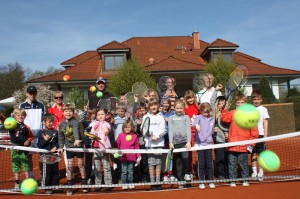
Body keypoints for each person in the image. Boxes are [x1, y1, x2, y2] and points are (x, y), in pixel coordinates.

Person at [221, 93, 259, 187]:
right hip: (232, 145)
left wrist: (251, 145)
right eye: (238, 102)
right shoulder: (233, 113)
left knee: (243, 164)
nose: (240, 104)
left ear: (246, 103)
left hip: (244, 145)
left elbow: (254, 132)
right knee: (232, 164)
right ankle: (232, 180)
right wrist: (225, 108)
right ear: (236, 104)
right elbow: (225, 118)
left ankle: (245, 179)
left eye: (242, 102)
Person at [57, 103, 87, 195]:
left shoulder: (75, 121)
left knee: (80, 164)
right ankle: (70, 185)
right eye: (66, 111)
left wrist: (77, 139)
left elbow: (75, 130)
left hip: (78, 147)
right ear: (63, 112)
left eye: (70, 111)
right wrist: (61, 147)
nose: (68, 113)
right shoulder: (61, 124)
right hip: (69, 147)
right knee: (69, 166)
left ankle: (84, 182)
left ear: (73, 112)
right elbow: (61, 137)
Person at [19, 85, 45, 178]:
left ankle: (42, 176)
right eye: (30, 93)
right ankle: (31, 176)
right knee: (28, 157)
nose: (32, 95)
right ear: (27, 94)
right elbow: (21, 119)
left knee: (42, 156)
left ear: (36, 93)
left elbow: (43, 120)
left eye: (34, 93)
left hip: (39, 136)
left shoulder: (41, 105)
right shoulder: (22, 105)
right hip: (28, 136)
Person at [141, 99, 166, 190]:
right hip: (149, 144)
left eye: (155, 105)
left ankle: (158, 182)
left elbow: (164, 130)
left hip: (159, 143)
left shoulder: (161, 117)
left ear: (158, 106)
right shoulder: (145, 117)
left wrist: (157, 136)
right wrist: (147, 134)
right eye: (151, 105)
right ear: (149, 107)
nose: (153, 107)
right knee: (151, 164)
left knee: (158, 163)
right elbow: (143, 129)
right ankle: (152, 183)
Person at [168, 100, 192, 188]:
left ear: (183, 108)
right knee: (178, 162)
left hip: (184, 143)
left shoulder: (186, 117)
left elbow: (188, 130)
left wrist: (189, 141)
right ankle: (180, 181)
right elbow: (170, 131)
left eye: (180, 108)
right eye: (177, 108)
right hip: (175, 144)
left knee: (186, 159)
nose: (179, 110)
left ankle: (187, 176)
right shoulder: (171, 118)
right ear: (174, 108)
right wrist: (171, 142)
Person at [8, 108, 34, 190]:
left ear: (25, 116)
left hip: (24, 149)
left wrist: (28, 141)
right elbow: (4, 120)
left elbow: (31, 136)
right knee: (16, 166)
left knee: (26, 166)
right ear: (15, 116)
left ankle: (28, 183)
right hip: (14, 149)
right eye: (18, 115)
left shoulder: (27, 127)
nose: (20, 117)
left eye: (22, 115)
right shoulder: (11, 125)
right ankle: (17, 183)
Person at [193, 102, 215, 189]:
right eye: (205, 112)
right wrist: (197, 125)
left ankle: (210, 181)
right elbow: (194, 123)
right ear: (201, 111)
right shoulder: (198, 117)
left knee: (209, 163)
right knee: (201, 163)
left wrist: (204, 139)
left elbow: (210, 131)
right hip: (200, 145)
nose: (206, 114)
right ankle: (201, 181)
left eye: (208, 112)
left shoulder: (212, 119)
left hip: (208, 144)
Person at [90, 108, 112, 191]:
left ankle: (108, 184)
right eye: (98, 114)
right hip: (95, 148)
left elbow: (108, 129)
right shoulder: (94, 124)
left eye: (102, 114)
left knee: (106, 167)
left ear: (105, 115)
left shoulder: (106, 124)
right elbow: (92, 133)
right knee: (97, 168)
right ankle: (98, 184)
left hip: (104, 148)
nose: (100, 116)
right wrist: (91, 135)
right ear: (96, 116)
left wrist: (106, 131)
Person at [115, 119, 141, 190]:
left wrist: (138, 155)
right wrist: (117, 152)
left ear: (132, 127)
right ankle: (124, 183)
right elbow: (117, 144)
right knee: (124, 170)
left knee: (130, 170)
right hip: (123, 157)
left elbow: (137, 146)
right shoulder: (120, 135)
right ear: (123, 128)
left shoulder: (135, 136)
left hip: (132, 157)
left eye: (129, 127)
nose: (127, 128)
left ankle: (130, 182)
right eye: (125, 127)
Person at [37, 114, 59, 194]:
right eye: (49, 122)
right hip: (44, 156)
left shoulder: (56, 132)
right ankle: (47, 187)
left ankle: (55, 185)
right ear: (44, 122)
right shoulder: (41, 132)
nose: (51, 123)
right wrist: (45, 139)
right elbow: (39, 145)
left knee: (55, 171)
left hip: (54, 155)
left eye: (52, 122)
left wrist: (55, 147)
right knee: (47, 171)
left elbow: (58, 142)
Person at [210, 84, 229, 180]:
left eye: (223, 103)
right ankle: (221, 174)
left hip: (228, 138)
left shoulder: (228, 112)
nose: (221, 105)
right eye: (220, 103)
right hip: (218, 138)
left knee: (228, 156)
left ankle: (228, 173)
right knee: (219, 156)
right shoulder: (214, 111)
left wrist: (228, 133)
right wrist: (216, 90)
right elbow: (211, 101)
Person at [250, 90, 270, 180]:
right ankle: (254, 172)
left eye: (258, 99)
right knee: (253, 154)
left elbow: (265, 122)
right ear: (252, 100)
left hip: (260, 135)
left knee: (261, 155)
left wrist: (265, 135)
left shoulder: (263, 109)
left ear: (261, 100)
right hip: (251, 136)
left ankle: (261, 172)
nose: (256, 101)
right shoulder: (249, 109)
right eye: (254, 99)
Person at [79, 106, 97, 187]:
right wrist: (85, 111)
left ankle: (97, 178)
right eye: (90, 114)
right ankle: (89, 177)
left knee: (97, 161)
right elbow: (81, 120)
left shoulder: (97, 122)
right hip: (88, 145)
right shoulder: (86, 123)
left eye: (93, 113)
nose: (91, 115)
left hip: (97, 145)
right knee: (88, 162)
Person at [183, 90, 199, 178]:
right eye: (188, 98)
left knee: (198, 152)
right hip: (188, 133)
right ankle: (190, 170)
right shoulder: (184, 108)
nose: (190, 100)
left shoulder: (198, 107)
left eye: (191, 98)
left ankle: (198, 169)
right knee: (189, 152)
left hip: (197, 133)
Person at [135, 105, 149, 182]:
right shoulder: (137, 120)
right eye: (140, 110)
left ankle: (148, 176)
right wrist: (138, 125)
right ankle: (142, 176)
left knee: (148, 160)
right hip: (141, 143)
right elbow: (137, 132)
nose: (142, 112)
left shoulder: (148, 118)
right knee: (142, 161)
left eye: (143, 110)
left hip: (149, 143)